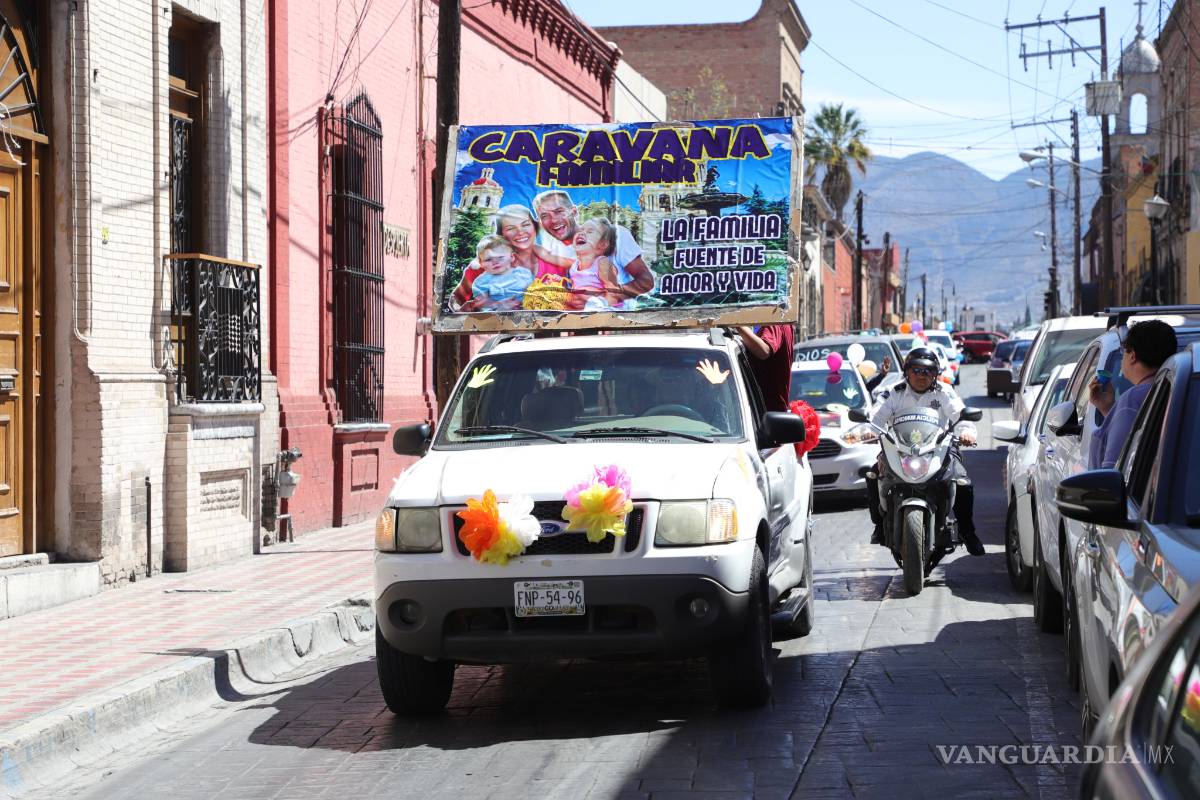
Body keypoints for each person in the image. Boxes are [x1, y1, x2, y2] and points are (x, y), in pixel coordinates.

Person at [866, 347, 984, 556]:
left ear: (935, 374)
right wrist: (867, 431)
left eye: (928, 371)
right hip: (900, 449)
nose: (922, 376)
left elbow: (959, 415)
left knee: (963, 481)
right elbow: (876, 416)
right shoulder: (895, 392)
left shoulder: (944, 391)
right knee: (873, 474)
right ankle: (879, 525)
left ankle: (967, 531)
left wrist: (967, 433)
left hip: (939, 449)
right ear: (907, 371)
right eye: (916, 370)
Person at [533, 190, 656, 304]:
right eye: (544, 216)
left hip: (616, 318)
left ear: (574, 212)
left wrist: (601, 302)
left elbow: (645, 282)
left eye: (559, 211)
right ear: (540, 223)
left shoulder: (613, 235)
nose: (553, 220)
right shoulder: (553, 252)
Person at [1087, 319, 1178, 470]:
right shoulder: (1178, 389)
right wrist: (1108, 410)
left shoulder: (1132, 400)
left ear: (1132, 356)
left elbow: (1111, 472)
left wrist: (1118, 410)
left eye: (1124, 352)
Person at [450, 205, 571, 311]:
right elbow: (456, 299)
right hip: (501, 334)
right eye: (510, 228)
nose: (520, 232)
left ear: (535, 227)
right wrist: (463, 311)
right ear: (501, 234)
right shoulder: (486, 265)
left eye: (526, 225)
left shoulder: (555, 262)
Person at [567, 217, 623, 310]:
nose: (581, 233)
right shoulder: (574, 266)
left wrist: (599, 308)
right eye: (580, 230)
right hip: (585, 310)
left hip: (607, 309)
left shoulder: (602, 263)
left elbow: (614, 293)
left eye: (589, 231)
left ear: (603, 244)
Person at [735, 324, 794, 412]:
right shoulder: (780, 321)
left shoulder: (776, 321)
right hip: (763, 412)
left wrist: (736, 323)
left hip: (765, 414)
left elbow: (764, 350)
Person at [470, 235, 533, 310]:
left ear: (512, 257)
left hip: (526, 312)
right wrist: (498, 305)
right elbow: (481, 303)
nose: (495, 262)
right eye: (488, 259)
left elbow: (534, 291)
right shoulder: (481, 282)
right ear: (481, 263)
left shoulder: (523, 273)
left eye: (500, 257)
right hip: (497, 316)